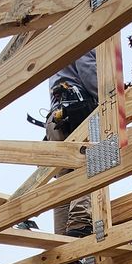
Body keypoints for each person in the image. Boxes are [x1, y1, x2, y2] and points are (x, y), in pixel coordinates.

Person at [45, 52, 97, 237]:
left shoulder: (60, 47)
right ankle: (79, 223)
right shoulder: (86, 35)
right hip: (77, 111)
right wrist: (109, 96)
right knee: (89, 162)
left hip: (55, 119)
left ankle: (62, 244)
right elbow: (87, 68)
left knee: (64, 178)